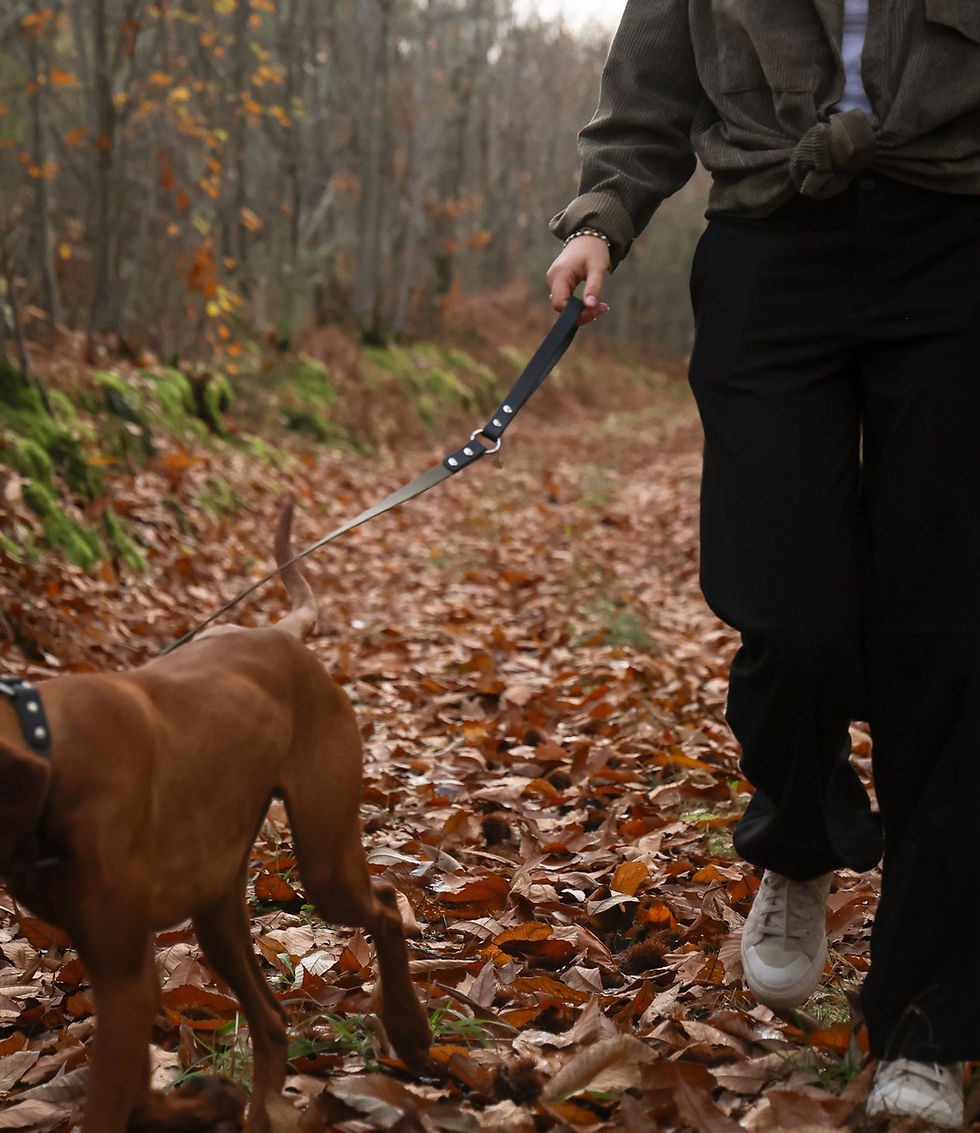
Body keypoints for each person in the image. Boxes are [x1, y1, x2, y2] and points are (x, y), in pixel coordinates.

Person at [546, 1, 979, 1125]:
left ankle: (924, 1020)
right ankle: (798, 835)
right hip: (767, 242)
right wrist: (603, 216)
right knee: (789, 614)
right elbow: (650, 79)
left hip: (956, 239)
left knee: (943, 640)